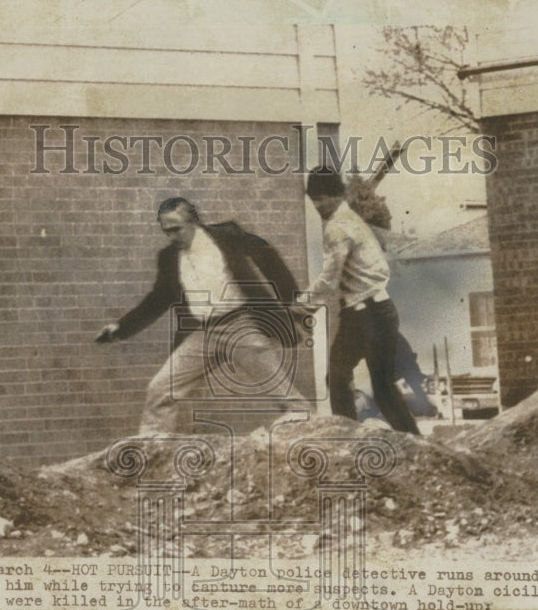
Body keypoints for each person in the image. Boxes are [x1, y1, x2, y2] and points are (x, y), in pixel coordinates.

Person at [96, 197, 305, 434]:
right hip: (203, 334)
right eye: (166, 231)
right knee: (160, 389)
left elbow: (269, 258)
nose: (172, 237)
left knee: (283, 392)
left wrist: (293, 301)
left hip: (240, 326)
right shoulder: (169, 258)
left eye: (176, 229)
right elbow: (157, 300)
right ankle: (153, 446)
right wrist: (121, 328)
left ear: (192, 221)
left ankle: (308, 429)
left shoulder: (227, 235)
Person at [301, 167, 420, 435]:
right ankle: (416, 442)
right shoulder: (351, 219)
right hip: (379, 310)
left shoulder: (337, 227)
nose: (318, 205)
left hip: (366, 314)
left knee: (341, 376)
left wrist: (300, 303)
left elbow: (330, 280)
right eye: (314, 199)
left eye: (322, 198)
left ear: (336, 195)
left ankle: (348, 440)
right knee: (380, 387)